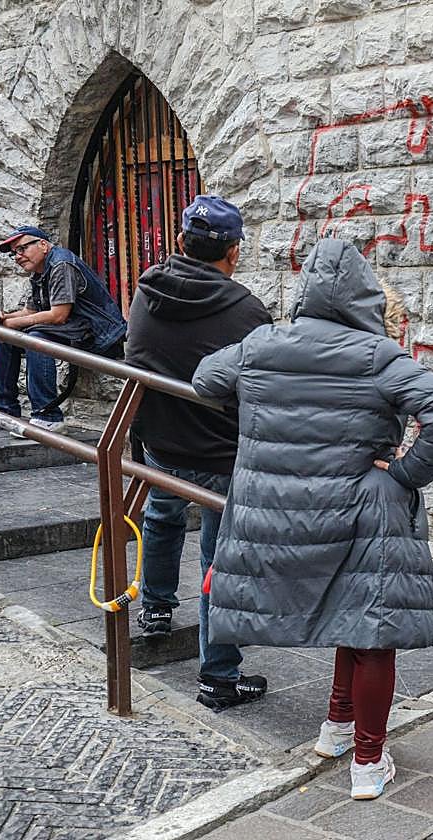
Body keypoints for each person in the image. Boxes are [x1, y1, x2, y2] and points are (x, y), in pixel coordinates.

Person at [193, 238, 433, 800]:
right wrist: (405, 473)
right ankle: (368, 762)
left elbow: (205, 380)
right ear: (364, 297)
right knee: (371, 631)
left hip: (279, 513)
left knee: (353, 622)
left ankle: (337, 728)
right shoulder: (378, 356)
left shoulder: (261, 344)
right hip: (361, 512)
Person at [126, 195, 273, 711]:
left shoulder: (147, 289)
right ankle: (219, 677)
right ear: (233, 251)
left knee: (162, 516)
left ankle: (156, 608)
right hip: (221, 451)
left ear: (180, 241)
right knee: (219, 558)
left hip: (160, 439)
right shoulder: (247, 309)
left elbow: (137, 353)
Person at [0, 226, 126, 431]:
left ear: (43, 245)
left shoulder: (61, 263)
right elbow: (30, 311)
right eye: (14, 253)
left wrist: (11, 324)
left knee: (36, 339)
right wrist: (3, 320)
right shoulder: (39, 271)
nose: (17, 256)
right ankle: (3, 411)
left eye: (22, 249)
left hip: (99, 335)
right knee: (7, 337)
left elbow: (58, 315)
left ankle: (48, 417)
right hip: (74, 329)